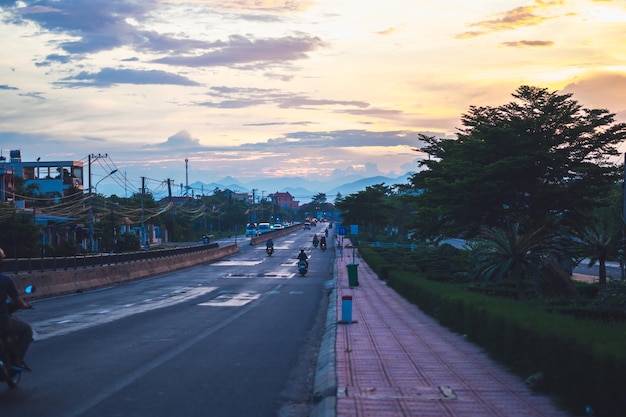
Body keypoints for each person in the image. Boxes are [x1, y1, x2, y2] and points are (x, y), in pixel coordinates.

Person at [0, 248, 33, 371]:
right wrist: (24, 305)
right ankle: (17, 360)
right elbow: (17, 300)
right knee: (27, 330)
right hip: (2, 321)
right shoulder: (5, 280)